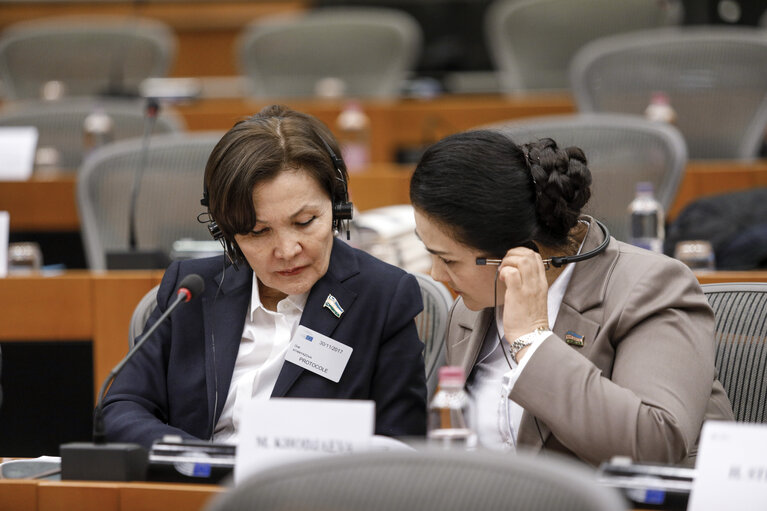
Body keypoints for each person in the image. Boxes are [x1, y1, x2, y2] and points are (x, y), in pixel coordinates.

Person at [102, 105, 427, 448]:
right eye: (258, 232)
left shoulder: (383, 297)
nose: (286, 250)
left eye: (304, 223)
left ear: (338, 207)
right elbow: (123, 408)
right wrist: (201, 460)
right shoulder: (192, 289)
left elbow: (402, 444)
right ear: (226, 232)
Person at [410, 129, 733, 466]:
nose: (436, 275)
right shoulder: (470, 311)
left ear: (521, 254)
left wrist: (532, 341)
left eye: (448, 260)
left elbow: (654, 441)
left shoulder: (651, 287)